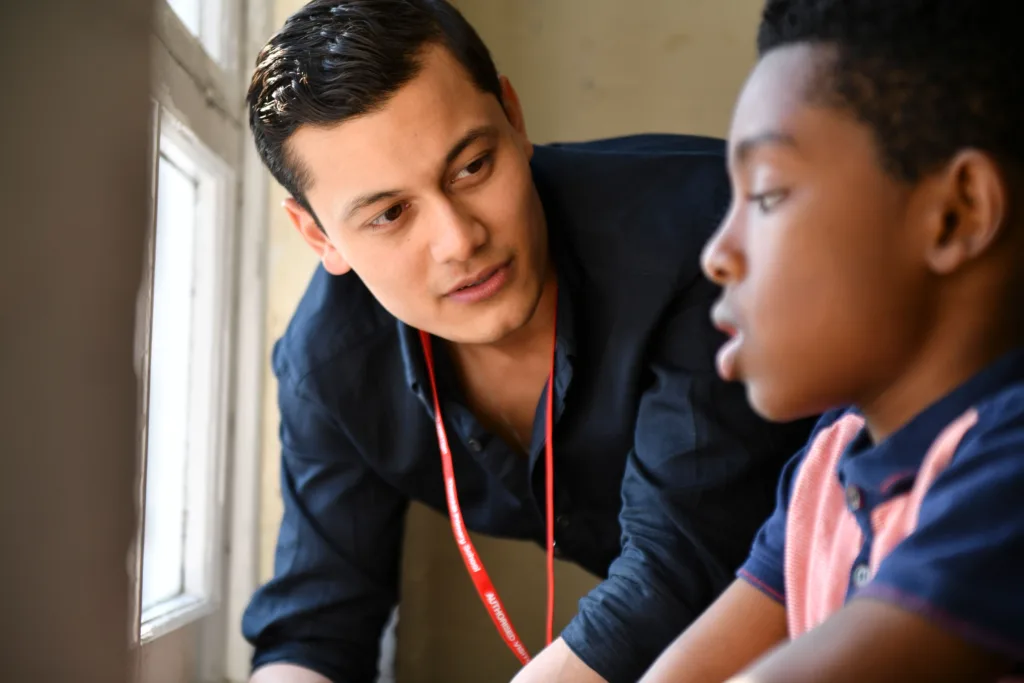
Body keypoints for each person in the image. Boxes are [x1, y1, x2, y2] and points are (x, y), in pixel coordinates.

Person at [241, 1, 813, 682]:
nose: (459, 241)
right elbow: (315, 627)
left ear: (513, 116)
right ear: (318, 236)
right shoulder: (328, 364)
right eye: (391, 213)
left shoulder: (702, 235)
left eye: (473, 167)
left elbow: (678, 562)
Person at [639, 1, 1024, 682]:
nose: (717, 254)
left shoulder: (1009, 465)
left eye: (764, 195)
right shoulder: (832, 462)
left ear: (955, 213)